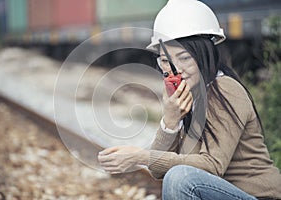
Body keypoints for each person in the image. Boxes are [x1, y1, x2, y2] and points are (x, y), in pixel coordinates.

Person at [98, 0, 281, 199]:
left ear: (204, 55)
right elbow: (158, 171)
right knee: (176, 175)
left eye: (184, 58)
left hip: (258, 196)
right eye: (166, 61)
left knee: (180, 178)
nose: (176, 69)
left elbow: (211, 166)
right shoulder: (190, 97)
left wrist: (140, 156)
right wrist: (170, 122)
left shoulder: (224, 89)